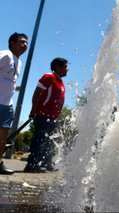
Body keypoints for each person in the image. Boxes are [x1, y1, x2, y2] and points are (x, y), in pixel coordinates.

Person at [24, 57, 68, 173]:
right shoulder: (49, 77)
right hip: (43, 115)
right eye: (65, 67)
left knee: (50, 141)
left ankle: (46, 163)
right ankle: (31, 165)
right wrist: (33, 110)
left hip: (53, 117)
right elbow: (37, 93)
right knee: (39, 140)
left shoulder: (60, 81)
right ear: (58, 67)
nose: (67, 69)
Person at [0, 33, 28, 175]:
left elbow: (10, 81)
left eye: (26, 43)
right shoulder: (6, 54)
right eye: (21, 42)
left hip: (7, 104)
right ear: (12, 42)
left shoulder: (19, 62)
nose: (25, 45)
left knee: (3, 136)